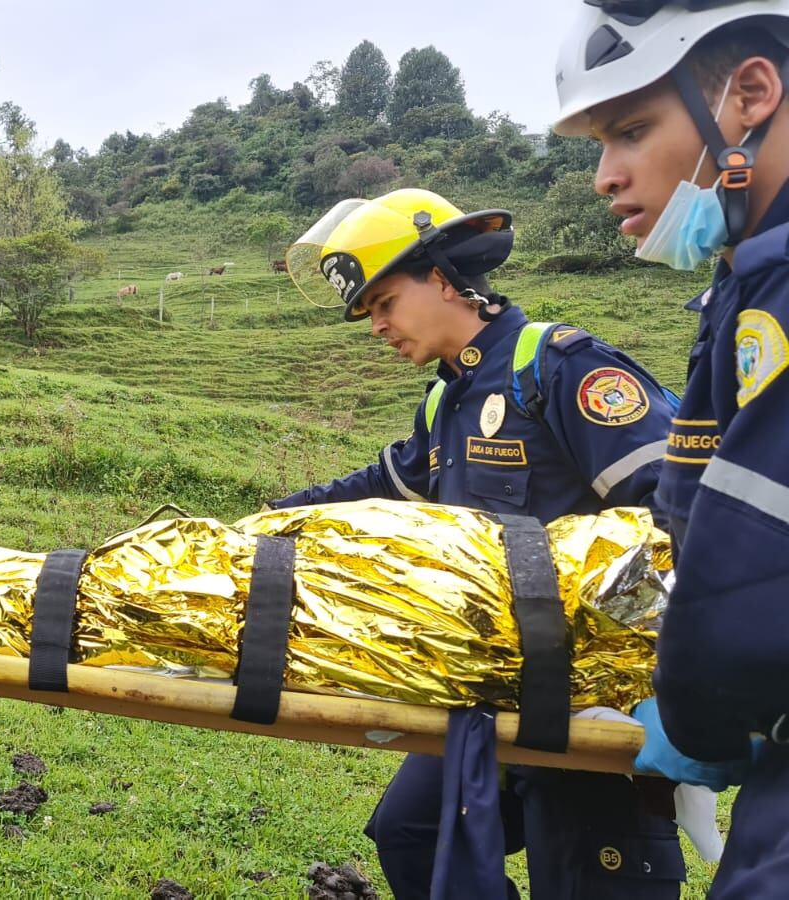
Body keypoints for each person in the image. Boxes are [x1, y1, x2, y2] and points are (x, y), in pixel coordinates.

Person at [275, 187, 683, 899]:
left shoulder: (558, 368)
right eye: (368, 313)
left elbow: (677, 508)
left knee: (579, 875)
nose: (377, 326)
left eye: (384, 303)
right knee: (411, 833)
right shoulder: (448, 399)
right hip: (489, 686)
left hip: (588, 694)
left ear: (442, 279)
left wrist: (653, 666)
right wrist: (270, 519)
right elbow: (383, 485)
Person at [554, 2, 789, 895]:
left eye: (631, 131)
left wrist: (701, 714)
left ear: (750, 94)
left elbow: (758, 556)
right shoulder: (743, 289)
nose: (604, 178)